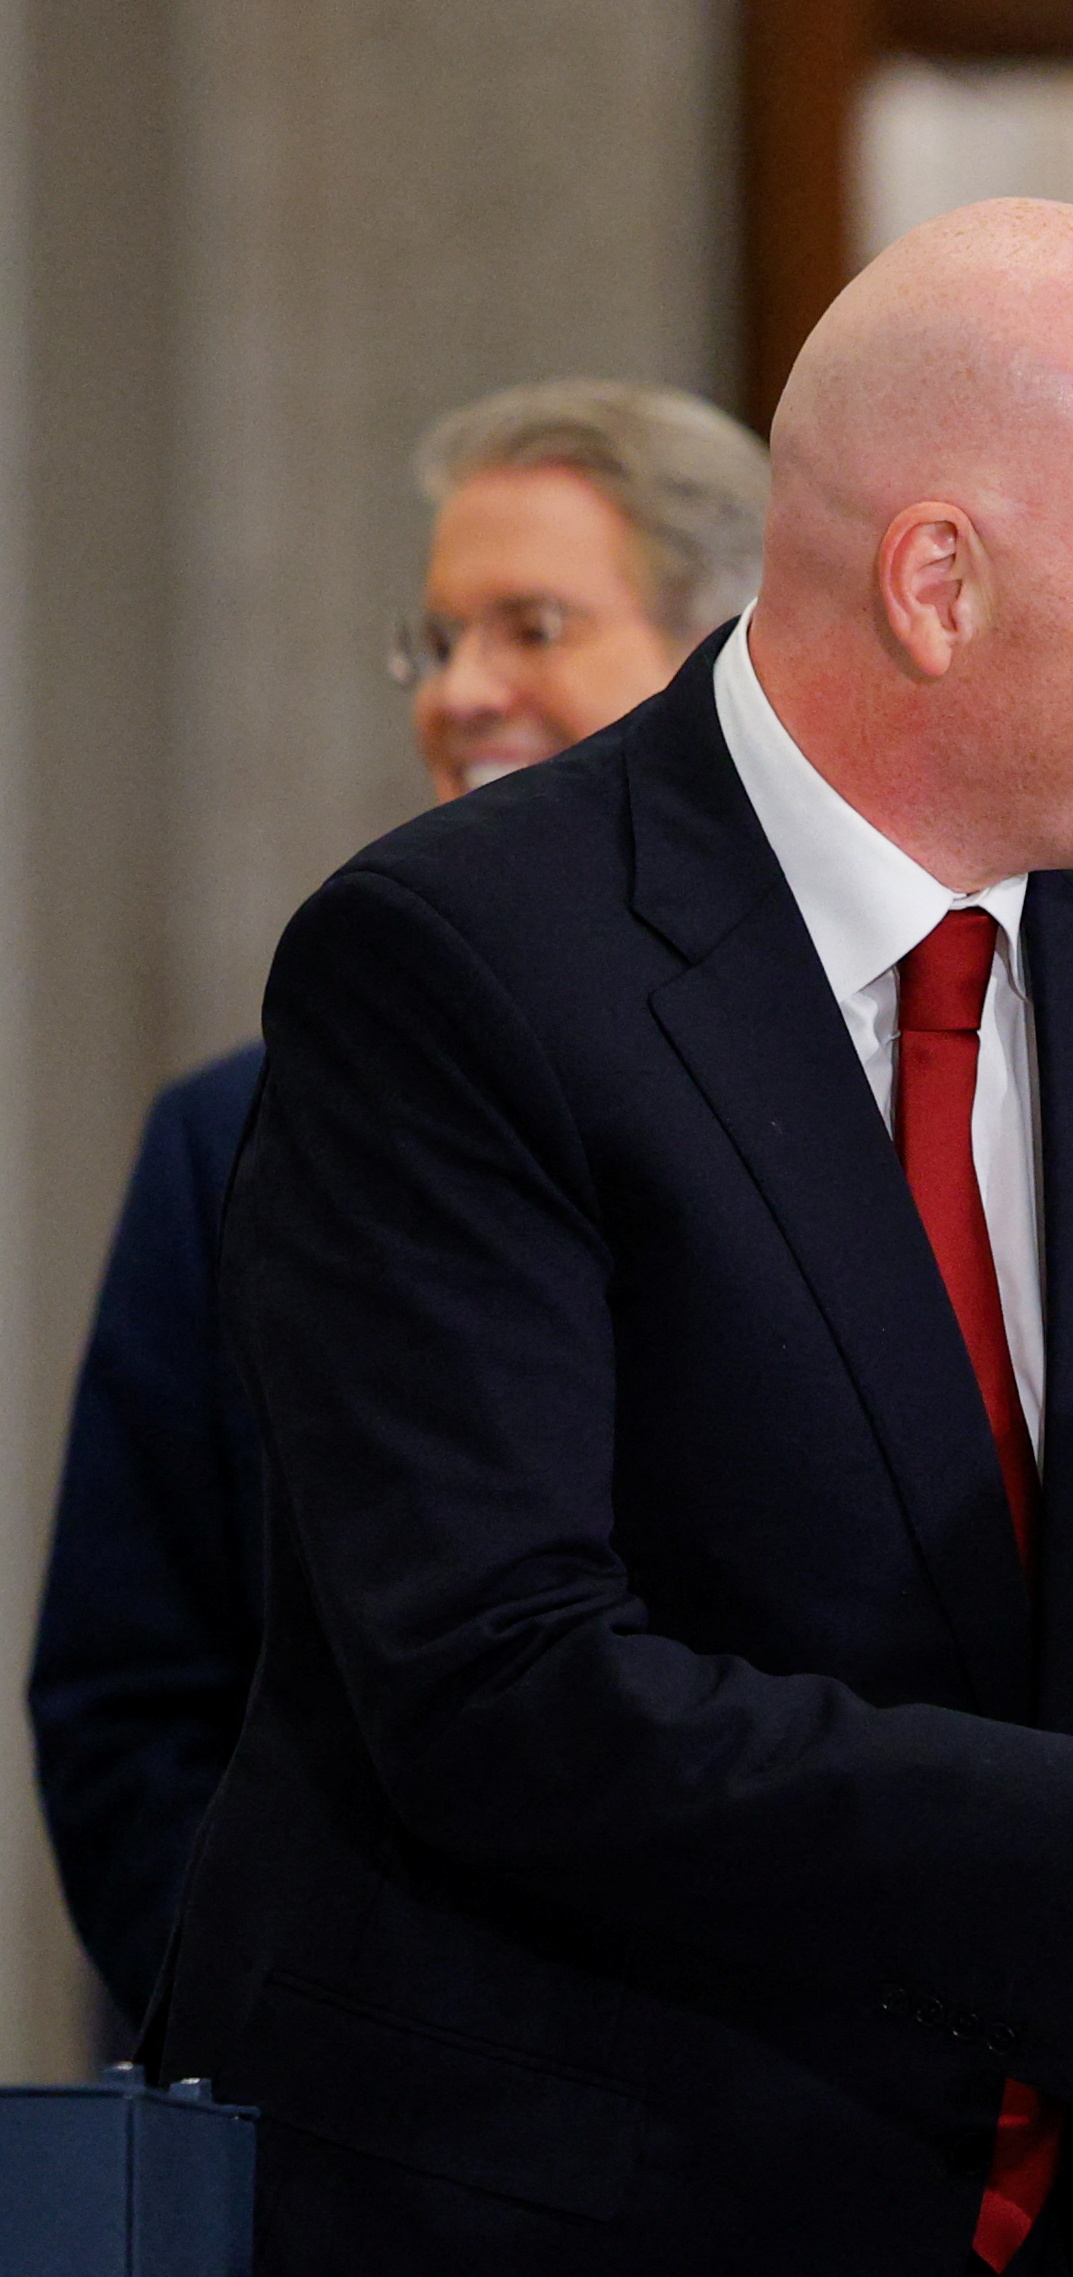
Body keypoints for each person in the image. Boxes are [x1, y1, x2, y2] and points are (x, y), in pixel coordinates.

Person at [155, 198, 1073, 2277]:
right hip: (570, 2196)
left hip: (1068, 2202)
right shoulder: (455, 964)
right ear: (938, 582)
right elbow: (497, 1685)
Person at [27, 378, 769, 2026]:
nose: (465, 693)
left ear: (725, 652)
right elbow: (127, 1702)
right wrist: (305, 2046)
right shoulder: (231, 1131)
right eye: (433, 643)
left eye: (532, 625)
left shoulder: (872, 1098)